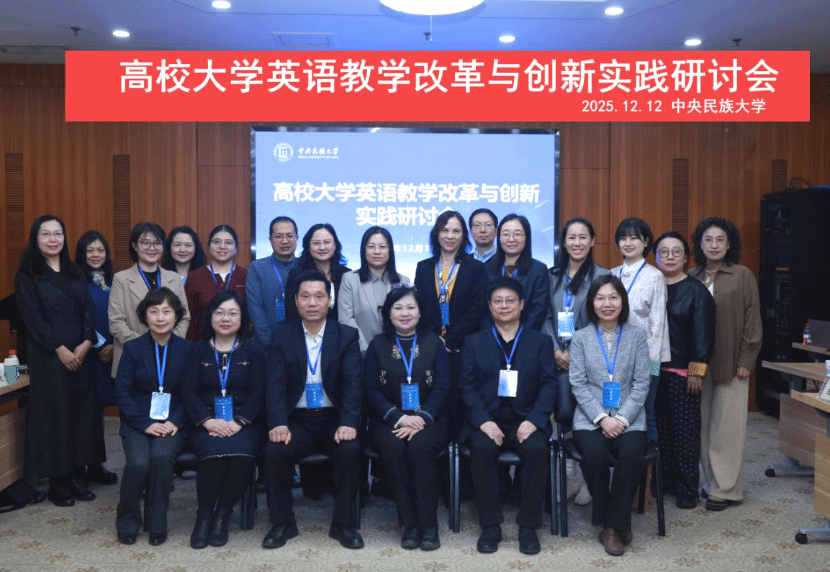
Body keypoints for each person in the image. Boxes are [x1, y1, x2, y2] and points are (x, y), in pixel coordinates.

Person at [262, 270, 364, 550]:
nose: (312, 303)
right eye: (305, 296)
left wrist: (349, 422)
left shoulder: (346, 336)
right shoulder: (282, 336)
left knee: (350, 450)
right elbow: (274, 385)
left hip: (334, 418)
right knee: (274, 452)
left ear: (329, 301)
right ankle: (283, 522)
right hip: (297, 420)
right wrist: (278, 422)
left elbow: (353, 385)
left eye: (319, 296)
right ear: (296, 301)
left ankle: (343, 524)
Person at [458, 277, 557, 556]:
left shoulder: (540, 341)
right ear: (490, 306)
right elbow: (465, 386)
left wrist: (534, 420)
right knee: (481, 448)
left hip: (526, 418)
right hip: (487, 418)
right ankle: (490, 525)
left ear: (522, 304)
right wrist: (483, 421)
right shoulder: (474, 342)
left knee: (537, 449)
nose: (504, 306)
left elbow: (549, 384)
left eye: (510, 300)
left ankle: (528, 526)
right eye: (498, 301)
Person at [15, 215, 98, 506]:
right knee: (56, 417)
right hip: (49, 357)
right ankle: (58, 483)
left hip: (81, 355)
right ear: (35, 239)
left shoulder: (75, 271)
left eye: (58, 233)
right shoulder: (27, 275)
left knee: (80, 415)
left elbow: (88, 308)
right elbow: (33, 319)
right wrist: (60, 349)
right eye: (46, 234)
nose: (53, 239)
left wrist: (86, 342)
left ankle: (76, 476)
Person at [363, 285, 450, 551]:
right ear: (388, 314)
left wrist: (421, 418)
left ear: (420, 312)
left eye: (411, 307)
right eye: (398, 307)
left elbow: (443, 387)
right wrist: (399, 418)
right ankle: (410, 524)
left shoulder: (434, 343)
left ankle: (429, 525)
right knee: (393, 447)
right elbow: (370, 389)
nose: (404, 313)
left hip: (431, 418)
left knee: (420, 447)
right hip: (389, 419)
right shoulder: (377, 345)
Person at [568, 274, 649, 557]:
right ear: (591, 303)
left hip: (630, 417)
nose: (607, 304)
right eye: (600, 298)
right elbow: (577, 384)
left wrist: (623, 418)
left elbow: (642, 383)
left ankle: (612, 526)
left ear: (622, 302)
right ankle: (615, 522)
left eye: (613, 297)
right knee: (594, 456)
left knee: (632, 456)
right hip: (590, 418)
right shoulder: (580, 338)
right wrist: (602, 418)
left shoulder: (638, 336)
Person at [688, 216, 761, 511]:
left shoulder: (742, 275)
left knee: (727, 428)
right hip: (698, 367)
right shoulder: (692, 276)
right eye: (708, 240)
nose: (714, 245)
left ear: (729, 244)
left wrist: (747, 358)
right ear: (700, 244)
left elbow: (752, 320)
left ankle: (727, 488)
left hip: (732, 363)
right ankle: (711, 482)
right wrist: (692, 370)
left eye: (720, 240)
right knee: (703, 426)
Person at [182, 291, 265, 548]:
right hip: (206, 420)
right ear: (210, 317)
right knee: (212, 457)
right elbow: (189, 392)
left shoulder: (253, 350)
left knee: (243, 458)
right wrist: (208, 421)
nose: (225, 318)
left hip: (244, 421)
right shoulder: (196, 350)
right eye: (219, 313)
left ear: (243, 318)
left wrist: (238, 422)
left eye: (232, 313)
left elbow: (258, 391)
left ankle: (223, 513)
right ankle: (204, 515)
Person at [114, 288, 192, 546]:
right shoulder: (133, 348)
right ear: (144, 316)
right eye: (154, 311)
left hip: (173, 423)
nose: (160, 318)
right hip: (137, 422)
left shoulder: (187, 350)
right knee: (138, 464)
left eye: (167, 312)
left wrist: (176, 420)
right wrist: (144, 424)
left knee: (160, 457)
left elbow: (191, 393)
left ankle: (158, 523)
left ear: (176, 316)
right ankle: (127, 521)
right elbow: (122, 392)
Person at [543, 217, 609, 503]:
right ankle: (569, 472)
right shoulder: (552, 276)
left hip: (590, 357)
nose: (577, 243)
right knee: (562, 406)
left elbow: (604, 318)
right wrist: (555, 349)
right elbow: (545, 315)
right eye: (571, 237)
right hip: (556, 355)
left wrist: (576, 352)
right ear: (564, 242)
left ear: (592, 241)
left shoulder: (602, 276)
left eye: (583, 237)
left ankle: (587, 475)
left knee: (588, 413)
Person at [654, 232, 715, 509]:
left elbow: (703, 335)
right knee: (660, 431)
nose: (669, 257)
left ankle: (688, 489)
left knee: (685, 434)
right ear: (656, 256)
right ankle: (664, 482)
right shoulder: (652, 286)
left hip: (683, 374)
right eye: (663, 252)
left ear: (686, 257)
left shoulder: (696, 291)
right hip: (654, 370)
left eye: (676, 252)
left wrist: (696, 371)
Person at [611, 217, 669, 443]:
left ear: (646, 242)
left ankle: (649, 464)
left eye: (634, 238)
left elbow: (658, 325)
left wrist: (650, 368)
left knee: (646, 413)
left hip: (644, 360)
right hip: (613, 357)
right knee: (614, 410)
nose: (628, 243)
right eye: (623, 238)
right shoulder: (611, 274)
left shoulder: (655, 276)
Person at [109, 222, 190, 377]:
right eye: (145, 243)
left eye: (157, 243)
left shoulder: (174, 278)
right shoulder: (121, 279)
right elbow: (116, 323)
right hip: (133, 356)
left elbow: (184, 317)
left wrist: (169, 343)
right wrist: (146, 346)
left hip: (170, 356)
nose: (152, 248)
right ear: (134, 246)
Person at [74, 230, 119, 486]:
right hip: (86, 354)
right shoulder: (75, 280)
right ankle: (78, 467)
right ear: (82, 254)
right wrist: (99, 343)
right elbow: (76, 317)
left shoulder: (114, 280)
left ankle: (95, 464)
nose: (95, 255)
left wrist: (113, 345)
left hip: (111, 353)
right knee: (84, 412)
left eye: (100, 250)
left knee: (99, 411)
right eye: (90, 250)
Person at [338, 226, 409, 354]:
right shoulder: (350, 279)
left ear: (390, 250)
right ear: (363, 250)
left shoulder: (403, 281)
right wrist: (367, 350)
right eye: (371, 247)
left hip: (397, 353)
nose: (377, 251)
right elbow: (346, 319)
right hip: (360, 353)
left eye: (382, 247)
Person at [485, 214, 549, 331]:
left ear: (526, 237)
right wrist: (494, 335)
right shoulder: (486, 268)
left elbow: (538, 310)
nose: (511, 239)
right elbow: (482, 308)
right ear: (499, 238)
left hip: (526, 336)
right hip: (491, 336)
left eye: (517, 234)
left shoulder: (539, 270)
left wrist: (517, 335)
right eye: (506, 234)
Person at [184, 224, 247, 340]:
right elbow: (189, 316)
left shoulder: (245, 275)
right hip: (202, 342)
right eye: (216, 242)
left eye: (228, 242)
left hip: (239, 342)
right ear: (208, 246)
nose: (222, 246)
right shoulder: (195, 276)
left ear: (236, 248)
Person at [246, 216, 299, 348]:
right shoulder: (257, 267)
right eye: (278, 236)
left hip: (300, 346)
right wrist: (270, 344)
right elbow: (255, 308)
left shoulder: (305, 266)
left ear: (297, 238)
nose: (285, 241)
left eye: (289, 236)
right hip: (266, 346)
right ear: (270, 240)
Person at [284, 223, 350, 323]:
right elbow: (291, 314)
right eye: (316, 243)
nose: (322, 247)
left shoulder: (347, 275)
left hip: (342, 331)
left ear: (335, 245)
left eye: (327, 242)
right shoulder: (296, 275)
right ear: (308, 247)